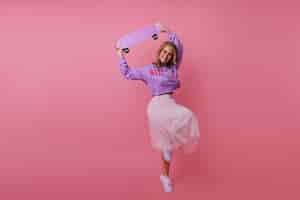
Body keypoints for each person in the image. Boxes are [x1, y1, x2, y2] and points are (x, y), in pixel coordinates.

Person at [115, 23, 200, 192]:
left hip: (170, 103)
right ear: (159, 52)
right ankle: (166, 164)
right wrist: (121, 57)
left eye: (169, 54)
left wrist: (167, 31)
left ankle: (164, 175)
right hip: (156, 105)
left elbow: (179, 46)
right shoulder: (149, 70)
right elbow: (128, 74)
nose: (166, 55)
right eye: (164, 52)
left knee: (187, 116)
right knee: (167, 141)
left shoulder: (173, 69)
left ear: (172, 57)